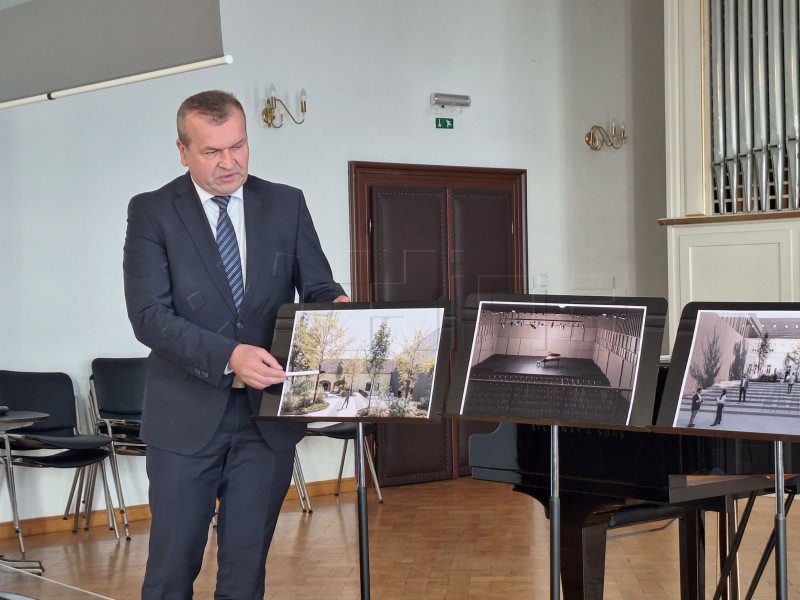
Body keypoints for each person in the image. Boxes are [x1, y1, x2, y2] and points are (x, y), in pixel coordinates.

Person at [123, 90, 348, 599]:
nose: (230, 162)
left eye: (239, 146)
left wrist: (335, 305)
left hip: (266, 419)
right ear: (182, 151)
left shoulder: (286, 202)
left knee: (246, 574)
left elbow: (316, 286)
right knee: (171, 570)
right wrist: (230, 357)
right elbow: (149, 317)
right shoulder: (152, 212)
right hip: (184, 419)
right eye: (212, 152)